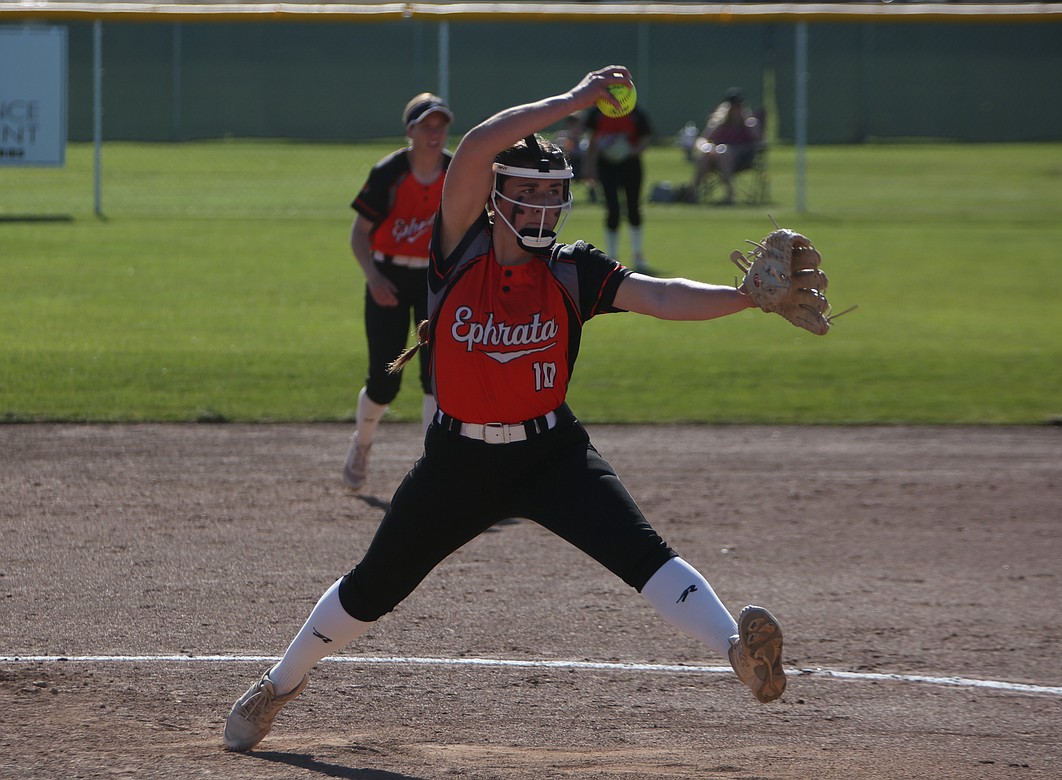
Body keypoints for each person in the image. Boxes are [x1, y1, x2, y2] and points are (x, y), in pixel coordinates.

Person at [223, 66, 786, 754]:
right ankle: (278, 685)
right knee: (375, 587)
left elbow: (663, 295)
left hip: (553, 456)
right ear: (493, 199)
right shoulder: (456, 249)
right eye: (527, 193)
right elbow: (480, 143)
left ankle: (737, 648)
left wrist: (745, 296)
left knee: (643, 554)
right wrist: (576, 101)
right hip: (457, 462)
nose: (543, 208)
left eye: (554, 195)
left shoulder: (573, 269)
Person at [342, 93, 453, 491]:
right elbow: (359, 234)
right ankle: (363, 444)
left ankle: (433, 467)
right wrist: (373, 277)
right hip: (387, 274)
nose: (435, 132)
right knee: (384, 379)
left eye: (440, 125)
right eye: (426, 125)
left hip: (435, 281)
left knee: (436, 378)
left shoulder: (455, 171)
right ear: (410, 131)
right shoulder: (390, 172)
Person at [584, 101, 654, 272]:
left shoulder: (635, 112)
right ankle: (612, 256)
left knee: (633, 208)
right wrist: (590, 167)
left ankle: (637, 255)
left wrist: (631, 150)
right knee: (612, 209)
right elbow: (592, 140)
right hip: (606, 164)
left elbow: (645, 137)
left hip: (630, 163)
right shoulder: (597, 112)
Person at [690, 88, 762, 205]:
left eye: (738, 106)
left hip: (741, 159)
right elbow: (703, 140)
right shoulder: (718, 123)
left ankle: (730, 195)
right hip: (714, 157)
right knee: (707, 154)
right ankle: (693, 193)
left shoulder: (749, 124)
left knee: (724, 152)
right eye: (733, 106)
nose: (736, 110)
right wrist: (707, 148)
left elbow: (759, 143)